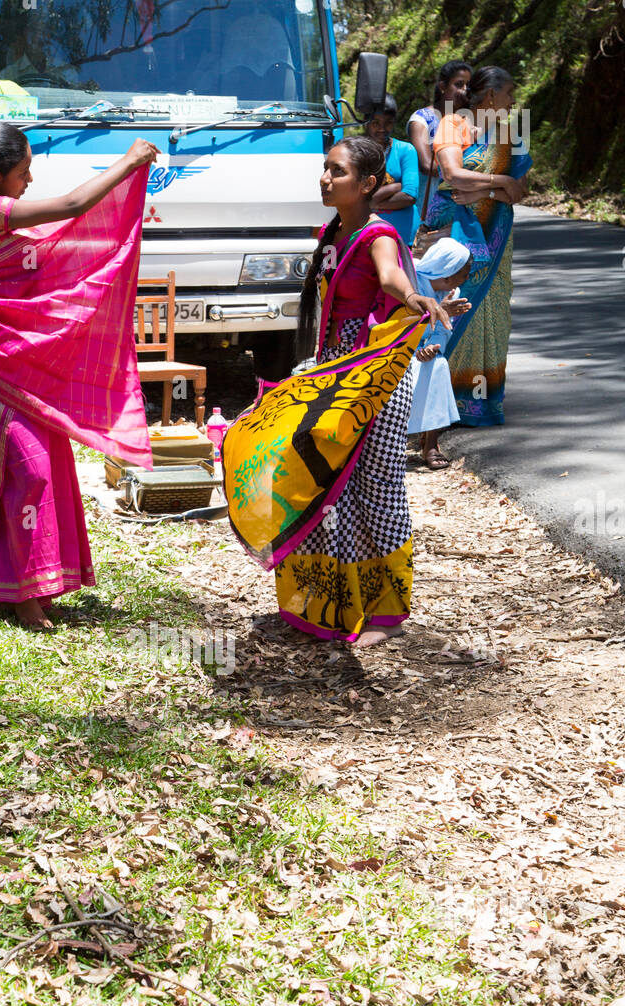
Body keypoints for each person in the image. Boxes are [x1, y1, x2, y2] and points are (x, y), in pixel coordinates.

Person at [228, 137, 448, 649]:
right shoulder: (333, 233)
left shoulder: (378, 237)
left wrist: (414, 297)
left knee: (379, 491)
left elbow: (392, 277)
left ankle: (388, 613)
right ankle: (333, 604)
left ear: (367, 184)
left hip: (370, 381)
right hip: (332, 375)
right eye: (324, 169)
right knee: (329, 492)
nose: (326, 178)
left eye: (338, 172)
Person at [0, 123, 159, 631]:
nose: (30, 178)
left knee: (48, 464)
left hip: (15, 359)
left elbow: (41, 250)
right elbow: (68, 209)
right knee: (31, 469)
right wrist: (128, 162)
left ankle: (41, 583)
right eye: (22, 171)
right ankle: (20, 593)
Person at [424, 66, 532, 426]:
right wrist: (498, 180)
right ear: (490, 97)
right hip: (458, 239)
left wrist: (483, 188)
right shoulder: (452, 125)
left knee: (495, 314)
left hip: (498, 236)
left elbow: (520, 191)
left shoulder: (511, 132)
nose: (514, 100)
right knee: (457, 312)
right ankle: (445, 407)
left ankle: (484, 405)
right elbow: (453, 176)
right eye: (509, 93)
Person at [407, 238, 473, 468]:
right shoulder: (410, 281)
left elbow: (444, 332)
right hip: (395, 348)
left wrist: (433, 348)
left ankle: (431, 443)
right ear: (446, 273)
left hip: (424, 350)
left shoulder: (452, 291)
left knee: (438, 366)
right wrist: (437, 314)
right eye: (463, 273)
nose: (466, 278)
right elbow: (399, 324)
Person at [407, 61, 472, 224]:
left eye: (468, 86)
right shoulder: (422, 120)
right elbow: (427, 165)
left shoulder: (468, 120)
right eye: (459, 84)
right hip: (428, 207)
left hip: (463, 208)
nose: (464, 90)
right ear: (443, 86)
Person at [364, 95, 420, 248]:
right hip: (367, 235)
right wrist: (395, 187)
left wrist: (371, 202)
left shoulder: (405, 150)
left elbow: (409, 196)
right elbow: (353, 196)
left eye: (388, 123)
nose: (382, 129)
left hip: (403, 236)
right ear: (367, 123)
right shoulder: (356, 152)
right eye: (376, 123)